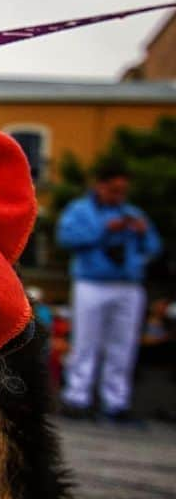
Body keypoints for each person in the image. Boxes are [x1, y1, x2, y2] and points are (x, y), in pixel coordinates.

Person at [56, 164, 163, 421]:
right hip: (91, 283)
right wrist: (105, 230)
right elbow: (67, 238)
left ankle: (116, 402)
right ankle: (77, 397)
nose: (119, 195)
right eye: (114, 189)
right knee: (85, 342)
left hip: (128, 285)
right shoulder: (81, 211)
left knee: (123, 346)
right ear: (100, 186)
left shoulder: (133, 214)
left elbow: (154, 248)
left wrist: (143, 232)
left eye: (123, 191)